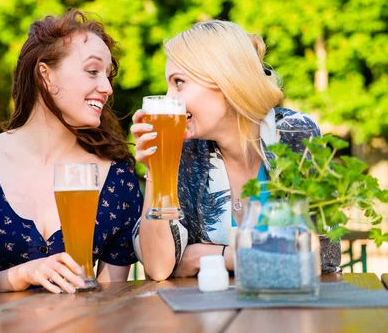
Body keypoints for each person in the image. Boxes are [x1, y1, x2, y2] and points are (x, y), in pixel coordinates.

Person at [131, 20, 341, 281]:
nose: (169, 97)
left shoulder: (293, 134)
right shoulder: (185, 149)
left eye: (179, 82)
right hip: (211, 317)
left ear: (225, 80)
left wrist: (209, 256)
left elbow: (323, 254)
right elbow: (160, 267)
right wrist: (156, 169)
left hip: (289, 311)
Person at [0, 10, 142, 294]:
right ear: (45, 75)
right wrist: (23, 274)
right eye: (93, 71)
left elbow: (112, 299)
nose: (107, 88)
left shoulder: (118, 177)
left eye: (108, 76)